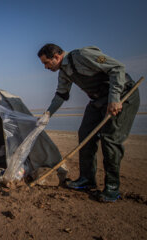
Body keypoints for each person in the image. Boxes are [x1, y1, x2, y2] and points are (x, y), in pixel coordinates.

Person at [37, 43, 140, 202]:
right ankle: (87, 179)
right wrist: (47, 115)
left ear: (56, 57)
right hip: (98, 100)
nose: (45, 67)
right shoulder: (64, 72)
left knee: (110, 140)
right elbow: (60, 95)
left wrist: (114, 99)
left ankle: (112, 188)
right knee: (85, 135)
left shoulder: (82, 56)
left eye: (46, 63)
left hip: (121, 96)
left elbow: (117, 68)